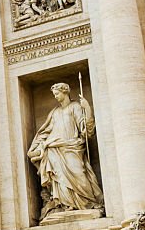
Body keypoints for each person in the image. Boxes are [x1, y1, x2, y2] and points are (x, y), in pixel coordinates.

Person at [27, 83, 103, 218]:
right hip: (54, 149)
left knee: (79, 174)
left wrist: (88, 109)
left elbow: (86, 130)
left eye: (57, 94)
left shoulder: (75, 107)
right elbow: (45, 131)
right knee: (60, 178)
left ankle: (88, 203)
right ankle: (65, 205)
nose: (55, 97)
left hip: (72, 147)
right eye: (54, 95)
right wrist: (38, 147)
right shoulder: (54, 112)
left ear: (65, 92)